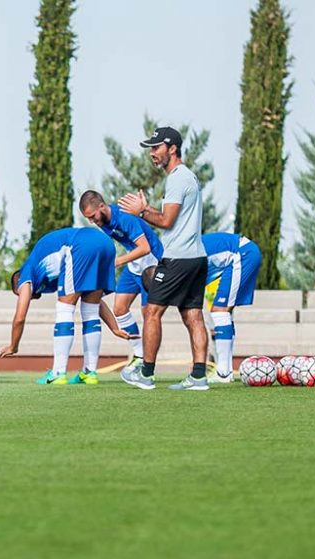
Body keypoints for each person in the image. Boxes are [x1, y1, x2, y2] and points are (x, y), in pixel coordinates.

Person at [116, 127, 210, 391]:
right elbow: (174, 219)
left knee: (152, 312)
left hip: (178, 259)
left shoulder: (178, 179)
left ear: (172, 148)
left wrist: (142, 211)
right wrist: (146, 209)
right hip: (196, 259)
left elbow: (167, 222)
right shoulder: (186, 177)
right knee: (193, 316)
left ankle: (145, 374)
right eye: (150, 148)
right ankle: (199, 377)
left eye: (156, 148)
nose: (152, 153)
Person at [0, 227, 131, 385]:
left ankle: (58, 373)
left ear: (18, 282)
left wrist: (13, 346)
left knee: (64, 309)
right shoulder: (51, 274)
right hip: (105, 243)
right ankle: (89, 373)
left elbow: (20, 317)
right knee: (90, 309)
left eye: (19, 293)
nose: (23, 296)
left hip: (78, 245)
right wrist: (115, 328)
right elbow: (97, 302)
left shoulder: (27, 272)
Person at [77, 190, 162, 372]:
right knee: (120, 309)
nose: (92, 221)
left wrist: (116, 262)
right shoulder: (103, 222)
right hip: (134, 266)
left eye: (92, 216)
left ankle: (148, 364)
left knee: (149, 314)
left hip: (152, 265)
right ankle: (139, 356)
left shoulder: (125, 218)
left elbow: (145, 248)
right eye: (88, 218)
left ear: (101, 206)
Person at [201, 231, 263, 383]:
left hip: (242, 253)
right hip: (243, 253)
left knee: (219, 312)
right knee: (221, 312)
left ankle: (224, 373)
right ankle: (225, 370)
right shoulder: (181, 257)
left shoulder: (182, 259)